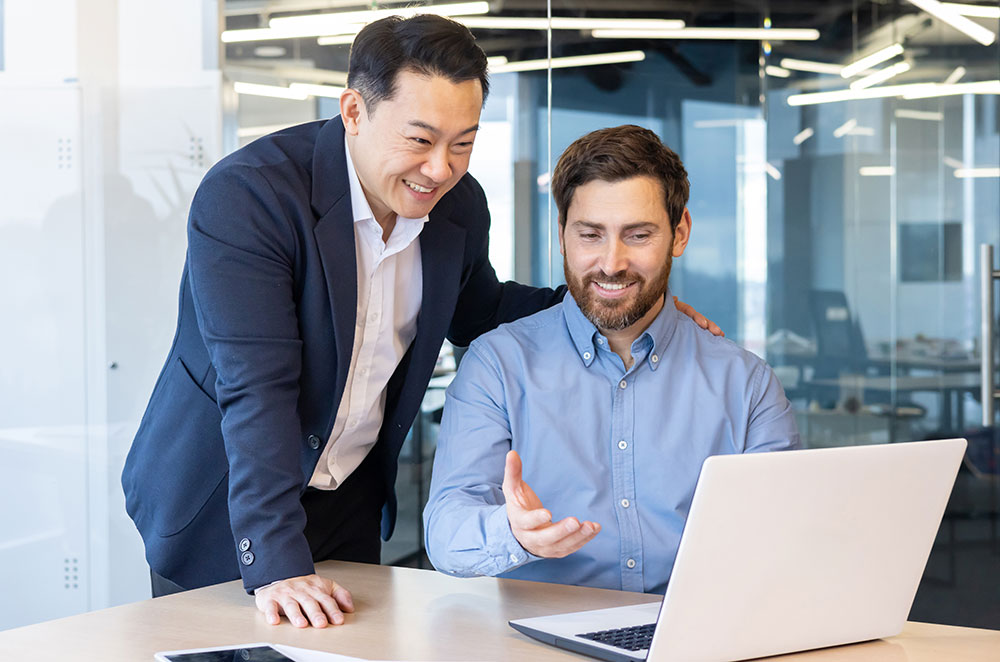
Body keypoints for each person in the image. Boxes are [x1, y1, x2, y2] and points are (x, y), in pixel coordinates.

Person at [121, 16, 717, 629]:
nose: (439, 169)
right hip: (225, 501)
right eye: (420, 140)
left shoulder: (458, 207)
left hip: (346, 501)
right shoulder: (251, 197)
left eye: (463, 143)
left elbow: (482, 312)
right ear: (354, 111)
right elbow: (257, 389)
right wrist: (275, 563)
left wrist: (619, 302)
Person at [423, 125, 800, 593]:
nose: (611, 263)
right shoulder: (497, 367)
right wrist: (512, 533)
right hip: (536, 631)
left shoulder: (745, 384)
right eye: (590, 235)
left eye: (638, 235)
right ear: (562, 235)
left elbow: (786, 537)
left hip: (694, 626)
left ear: (680, 233)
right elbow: (446, 533)